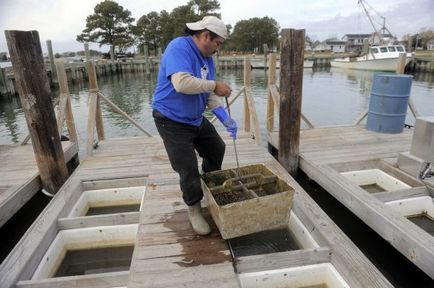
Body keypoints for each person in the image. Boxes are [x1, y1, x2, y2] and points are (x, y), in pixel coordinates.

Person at [152, 16, 237, 235]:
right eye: (218, 43)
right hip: (170, 119)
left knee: (217, 148)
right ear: (206, 36)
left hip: (195, 118)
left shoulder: (208, 58)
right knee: (187, 167)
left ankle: (207, 185)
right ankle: (194, 209)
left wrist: (223, 115)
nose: (218, 48)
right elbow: (181, 83)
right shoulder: (179, 47)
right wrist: (215, 85)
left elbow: (208, 93)